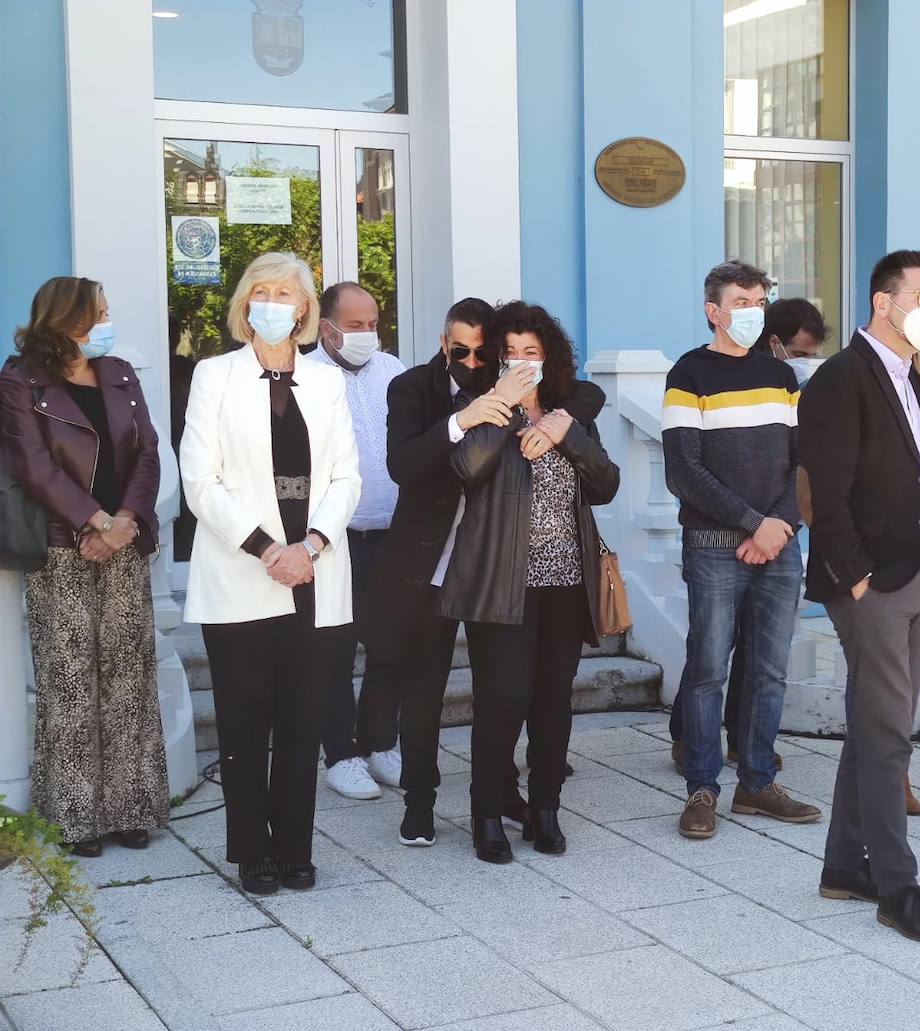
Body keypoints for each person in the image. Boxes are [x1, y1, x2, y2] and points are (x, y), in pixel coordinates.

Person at [364, 298, 607, 847]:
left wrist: (562, 421)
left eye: (485, 351)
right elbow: (406, 466)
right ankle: (421, 803)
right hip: (437, 560)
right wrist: (469, 417)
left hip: (510, 565)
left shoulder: (529, 393)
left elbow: (582, 398)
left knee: (525, 692)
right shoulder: (419, 390)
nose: (473, 361)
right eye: (464, 351)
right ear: (445, 342)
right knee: (430, 688)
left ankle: (515, 798)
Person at [801, 249, 920, 945]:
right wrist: (858, 576)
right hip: (875, 582)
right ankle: (898, 886)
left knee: (879, 724)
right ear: (883, 302)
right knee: (887, 732)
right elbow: (828, 491)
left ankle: (845, 864)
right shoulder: (842, 378)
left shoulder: (913, 375)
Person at [179, 252, 361, 895]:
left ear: (305, 309)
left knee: (302, 718)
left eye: (287, 293)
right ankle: (252, 850)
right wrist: (267, 548)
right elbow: (200, 480)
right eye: (263, 291)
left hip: (313, 570)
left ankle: (295, 848)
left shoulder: (327, 381)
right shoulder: (214, 375)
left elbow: (346, 476)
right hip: (242, 570)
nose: (275, 303)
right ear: (244, 303)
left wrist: (309, 545)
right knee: (244, 719)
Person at [437, 301, 619, 863]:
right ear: (494, 358)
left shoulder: (569, 414)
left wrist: (569, 436)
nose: (521, 362)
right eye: (511, 353)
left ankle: (545, 810)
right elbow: (466, 471)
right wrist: (507, 409)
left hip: (567, 581)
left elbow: (606, 485)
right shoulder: (480, 409)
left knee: (552, 702)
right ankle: (487, 812)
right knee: (503, 698)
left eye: (531, 354)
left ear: (550, 358)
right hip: (503, 582)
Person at [0, 277, 168, 857]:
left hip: (124, 541)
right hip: (60, 544)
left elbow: (147, 451)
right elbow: (31, 464)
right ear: (65, 319)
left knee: (128, 677)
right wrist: (94, 521)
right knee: (69, 681)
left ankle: (131, 808)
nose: (106, 321)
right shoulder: (21, 378)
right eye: (97, 312)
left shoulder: (118, 371)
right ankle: (75, 817)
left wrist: (124, 521)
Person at [663, 260, 820, 841]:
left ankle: (757, 782)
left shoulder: (782, 377)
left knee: (769, 671)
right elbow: (684, 469)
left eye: (759, 299)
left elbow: (806, 463)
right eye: (741, 301)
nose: (752, 310)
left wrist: (779, 525)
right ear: (714, 311)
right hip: (713, 547)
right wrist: (754, 523)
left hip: (779, 545)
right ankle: (702, 788)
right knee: (707, 670)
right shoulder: (689, 374)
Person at [305, 282, 408, 801]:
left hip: (393, 531)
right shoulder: (305, 377)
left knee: (391, 644)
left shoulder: (393, 370)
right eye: (356, 325)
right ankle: (341, 754)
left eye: (373, 323)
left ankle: (379, 743)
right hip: (333, 537)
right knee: (334, 649)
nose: (368, 334)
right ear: (327, 328)